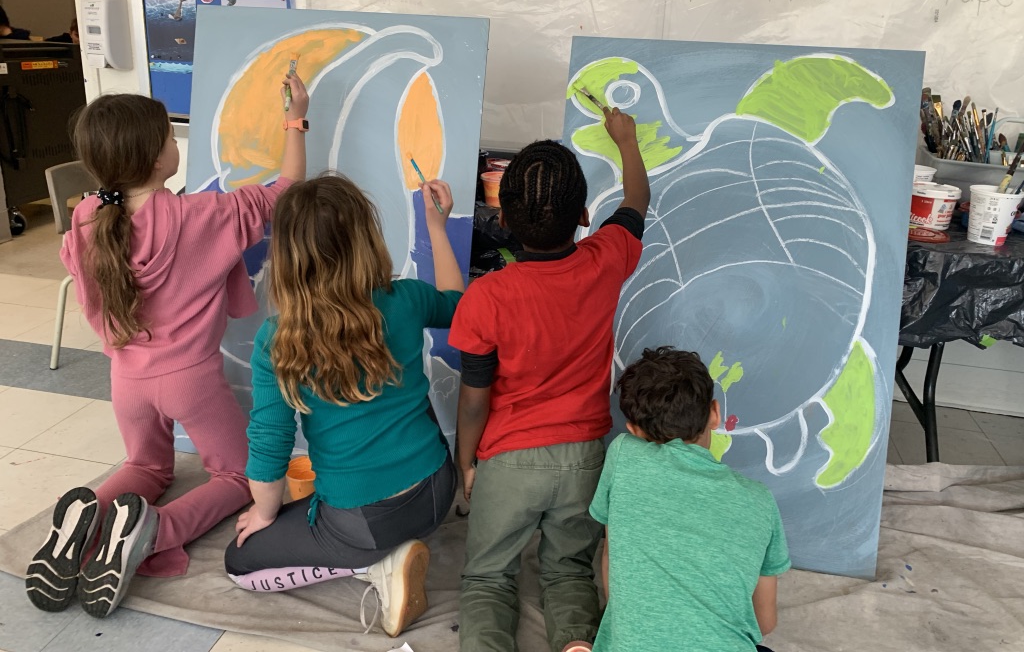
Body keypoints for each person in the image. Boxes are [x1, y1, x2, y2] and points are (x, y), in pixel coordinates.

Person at [24, 73, 310, 618]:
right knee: (238, 476)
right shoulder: (201, 214)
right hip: (190, 381)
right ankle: (153, 532)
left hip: (126, 379)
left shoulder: (86, 217)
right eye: (169, 137)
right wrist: (295, 116)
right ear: (158, 158)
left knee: (147, 466)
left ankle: (86, 522)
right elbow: (286, 189)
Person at [223, 174, 463, 638]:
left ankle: (373, 565)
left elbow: (269, 447)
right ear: (366, 240)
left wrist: (264, 514)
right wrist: (437, 226)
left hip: (363, 524)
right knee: (407, 398)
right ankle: (383, 549)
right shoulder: (406, 298)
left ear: (288, 258)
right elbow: (457, 304)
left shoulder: (278, 340)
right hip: (438, 490)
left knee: (239, 562)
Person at [449, 107, 651, 652]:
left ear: (503, 219)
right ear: (584, 215)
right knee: (569, 572)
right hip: (585, 458)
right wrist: (626, 141)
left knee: (488, 577)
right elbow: (636, 201)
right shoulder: (607, 258)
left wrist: (467, 462)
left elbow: (474, 399)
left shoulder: (486, 296)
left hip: (508, 460)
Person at [590, 347, 791, 652]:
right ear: (715, 413)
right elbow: (765, 623)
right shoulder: (760, 500)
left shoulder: (623, 454)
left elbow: (610, 555)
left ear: (634, 431)